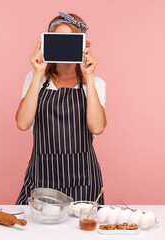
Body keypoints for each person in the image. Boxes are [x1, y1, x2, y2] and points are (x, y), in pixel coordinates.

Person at [15, 12, 107, 205]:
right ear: (47, 44)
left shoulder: (95, 83)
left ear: (83, 46)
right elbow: (23, 123)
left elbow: (97, 128)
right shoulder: (35, 79)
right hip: (42, 176)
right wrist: (39, 73)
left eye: (71, 41)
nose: (64, 46)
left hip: (84, 179)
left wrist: (89, 77)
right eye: (58, 41)